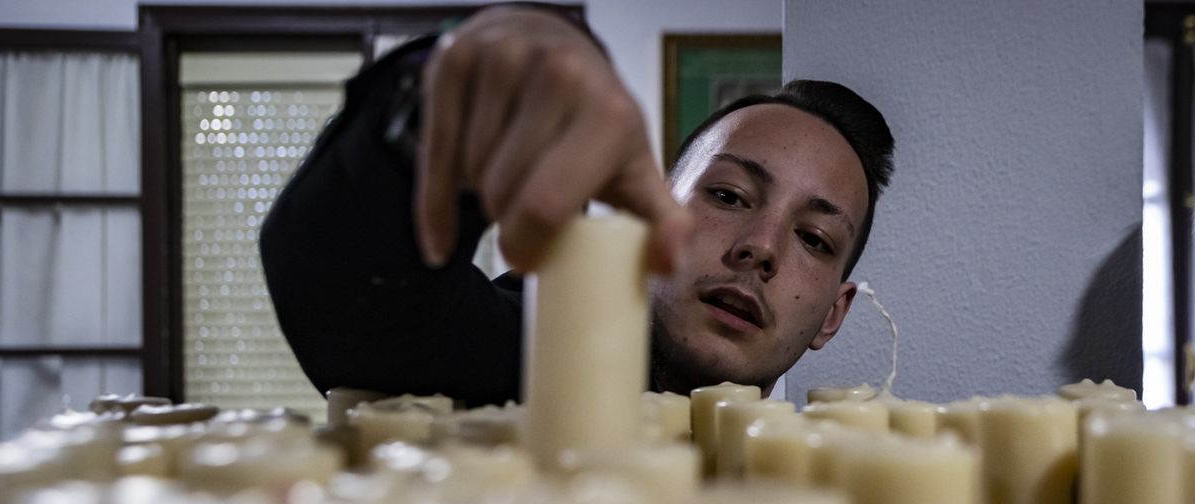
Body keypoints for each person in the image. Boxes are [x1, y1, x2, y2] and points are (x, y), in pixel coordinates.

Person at [259, 5, 894, 406]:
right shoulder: (523, 361)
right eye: (728, 195)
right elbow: (352, 291)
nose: (761, 247)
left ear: (833, 315)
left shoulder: (826, 496)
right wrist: (474, 83)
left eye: (813, 238)